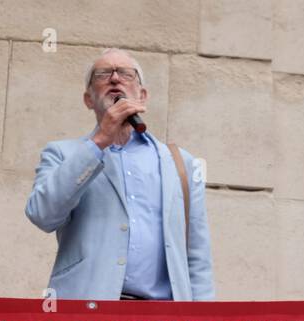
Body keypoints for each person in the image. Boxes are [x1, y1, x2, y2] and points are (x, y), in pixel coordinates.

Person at [25, 48, 214, 301]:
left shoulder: (181, 163)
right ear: (88, 99)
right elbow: (42, 214)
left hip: (162, 320)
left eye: (126, 73)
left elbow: (197, 254)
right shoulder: (63, 154)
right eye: (102, 74)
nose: (114, 79)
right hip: (88, 314)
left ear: (142, 96)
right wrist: (99, 141)